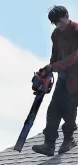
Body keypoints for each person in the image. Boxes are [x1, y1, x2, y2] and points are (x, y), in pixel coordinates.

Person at [32, 5, 78, 156]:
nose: (59, 25)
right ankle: (49, 145)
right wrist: (47, 74)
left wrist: (53, 67)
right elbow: (55, 55)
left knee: (70, 110)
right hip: (63, 78)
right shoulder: (56, 34)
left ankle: (68, 140)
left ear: (66, 15)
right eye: (56, 23)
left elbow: (73, 58)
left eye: (60, 21)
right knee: (53, 110)